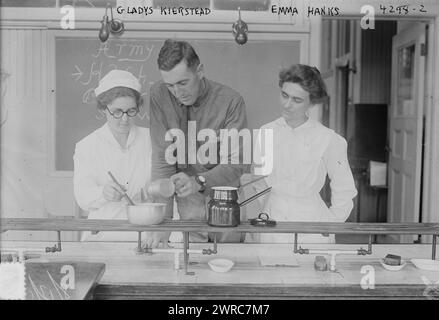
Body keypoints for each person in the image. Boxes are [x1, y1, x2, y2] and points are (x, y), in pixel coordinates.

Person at [146, 39, 248, 247]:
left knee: (229, 266)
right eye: (170, 85)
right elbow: (162, 161)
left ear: (200, 71)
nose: (177, 92)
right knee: (191, 267)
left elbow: (236, 163)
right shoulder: (159, 95)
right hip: (188, 206)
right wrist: (162, 223)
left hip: (225, 201)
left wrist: (198, 181)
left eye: (183, 83)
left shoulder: (231, 101)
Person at [248, 64, 357, 243]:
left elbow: (344, 190)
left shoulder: (328, 139)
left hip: (312, 227)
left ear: (312, 102)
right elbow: (259, 183)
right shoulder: (266, 132)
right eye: (284, 95)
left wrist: (331, 224)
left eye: (297, 100)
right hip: (272, 223)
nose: (287, 104)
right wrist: (265, 213)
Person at [73, 70, 151, 241]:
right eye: (117, 112)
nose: (124, 119)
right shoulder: (87, 146)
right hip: (104, 233)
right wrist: (103, 193)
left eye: (131, 111)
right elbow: (82, 196)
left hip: (144, 231)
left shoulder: (151, 140)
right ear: (103, 109)